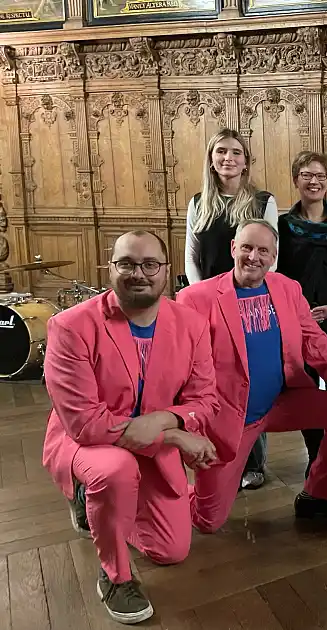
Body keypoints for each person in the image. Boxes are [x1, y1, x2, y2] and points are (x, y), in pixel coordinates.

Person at [42, 231, 219, 624]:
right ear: (110, 269)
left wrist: (162, 420)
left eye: (150, 264)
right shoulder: (70, 326)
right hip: (86, 442)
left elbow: (205, 399)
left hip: (146, 442)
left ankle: (104, 506)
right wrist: (173, 435)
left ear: (167, 270)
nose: (139, 273)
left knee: (171, 551)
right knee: (115, 471)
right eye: (126, 264)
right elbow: (85, 423)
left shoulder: (191, 324)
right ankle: (115, 576)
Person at [176, 219, 327, 533]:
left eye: (262, 250)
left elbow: (312, 338)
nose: (253, 257)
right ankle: (159, 501)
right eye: (246, 247)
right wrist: (190, 426)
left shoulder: (287, 288)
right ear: (233, 248)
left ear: (273, 256)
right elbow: (183, 370)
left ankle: (318, 494)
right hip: (232, 418)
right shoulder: (196, 298)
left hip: (283, 401)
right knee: (208, 521)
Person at [184, 128, 280, 491]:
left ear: (246, 161)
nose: (228, 158)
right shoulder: (198, 203)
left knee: (248, 382)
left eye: (236, 152)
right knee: (213, 383)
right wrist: (203, 298)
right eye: (221, 151)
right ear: (211, 159)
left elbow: (271, 259)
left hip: (249, 305)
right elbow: (191, 258)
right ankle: (219, 455)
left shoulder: (262, 202)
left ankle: (253, 462)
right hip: (208, 308)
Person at [277, 150, 327, 477]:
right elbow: (280, 275)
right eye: (307, 175)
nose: (314, 181)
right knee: (306, 394)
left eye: (320, 176)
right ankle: (315, 459)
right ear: (296, 180)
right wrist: (300, 313)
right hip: (299, 324)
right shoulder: (284, 226)